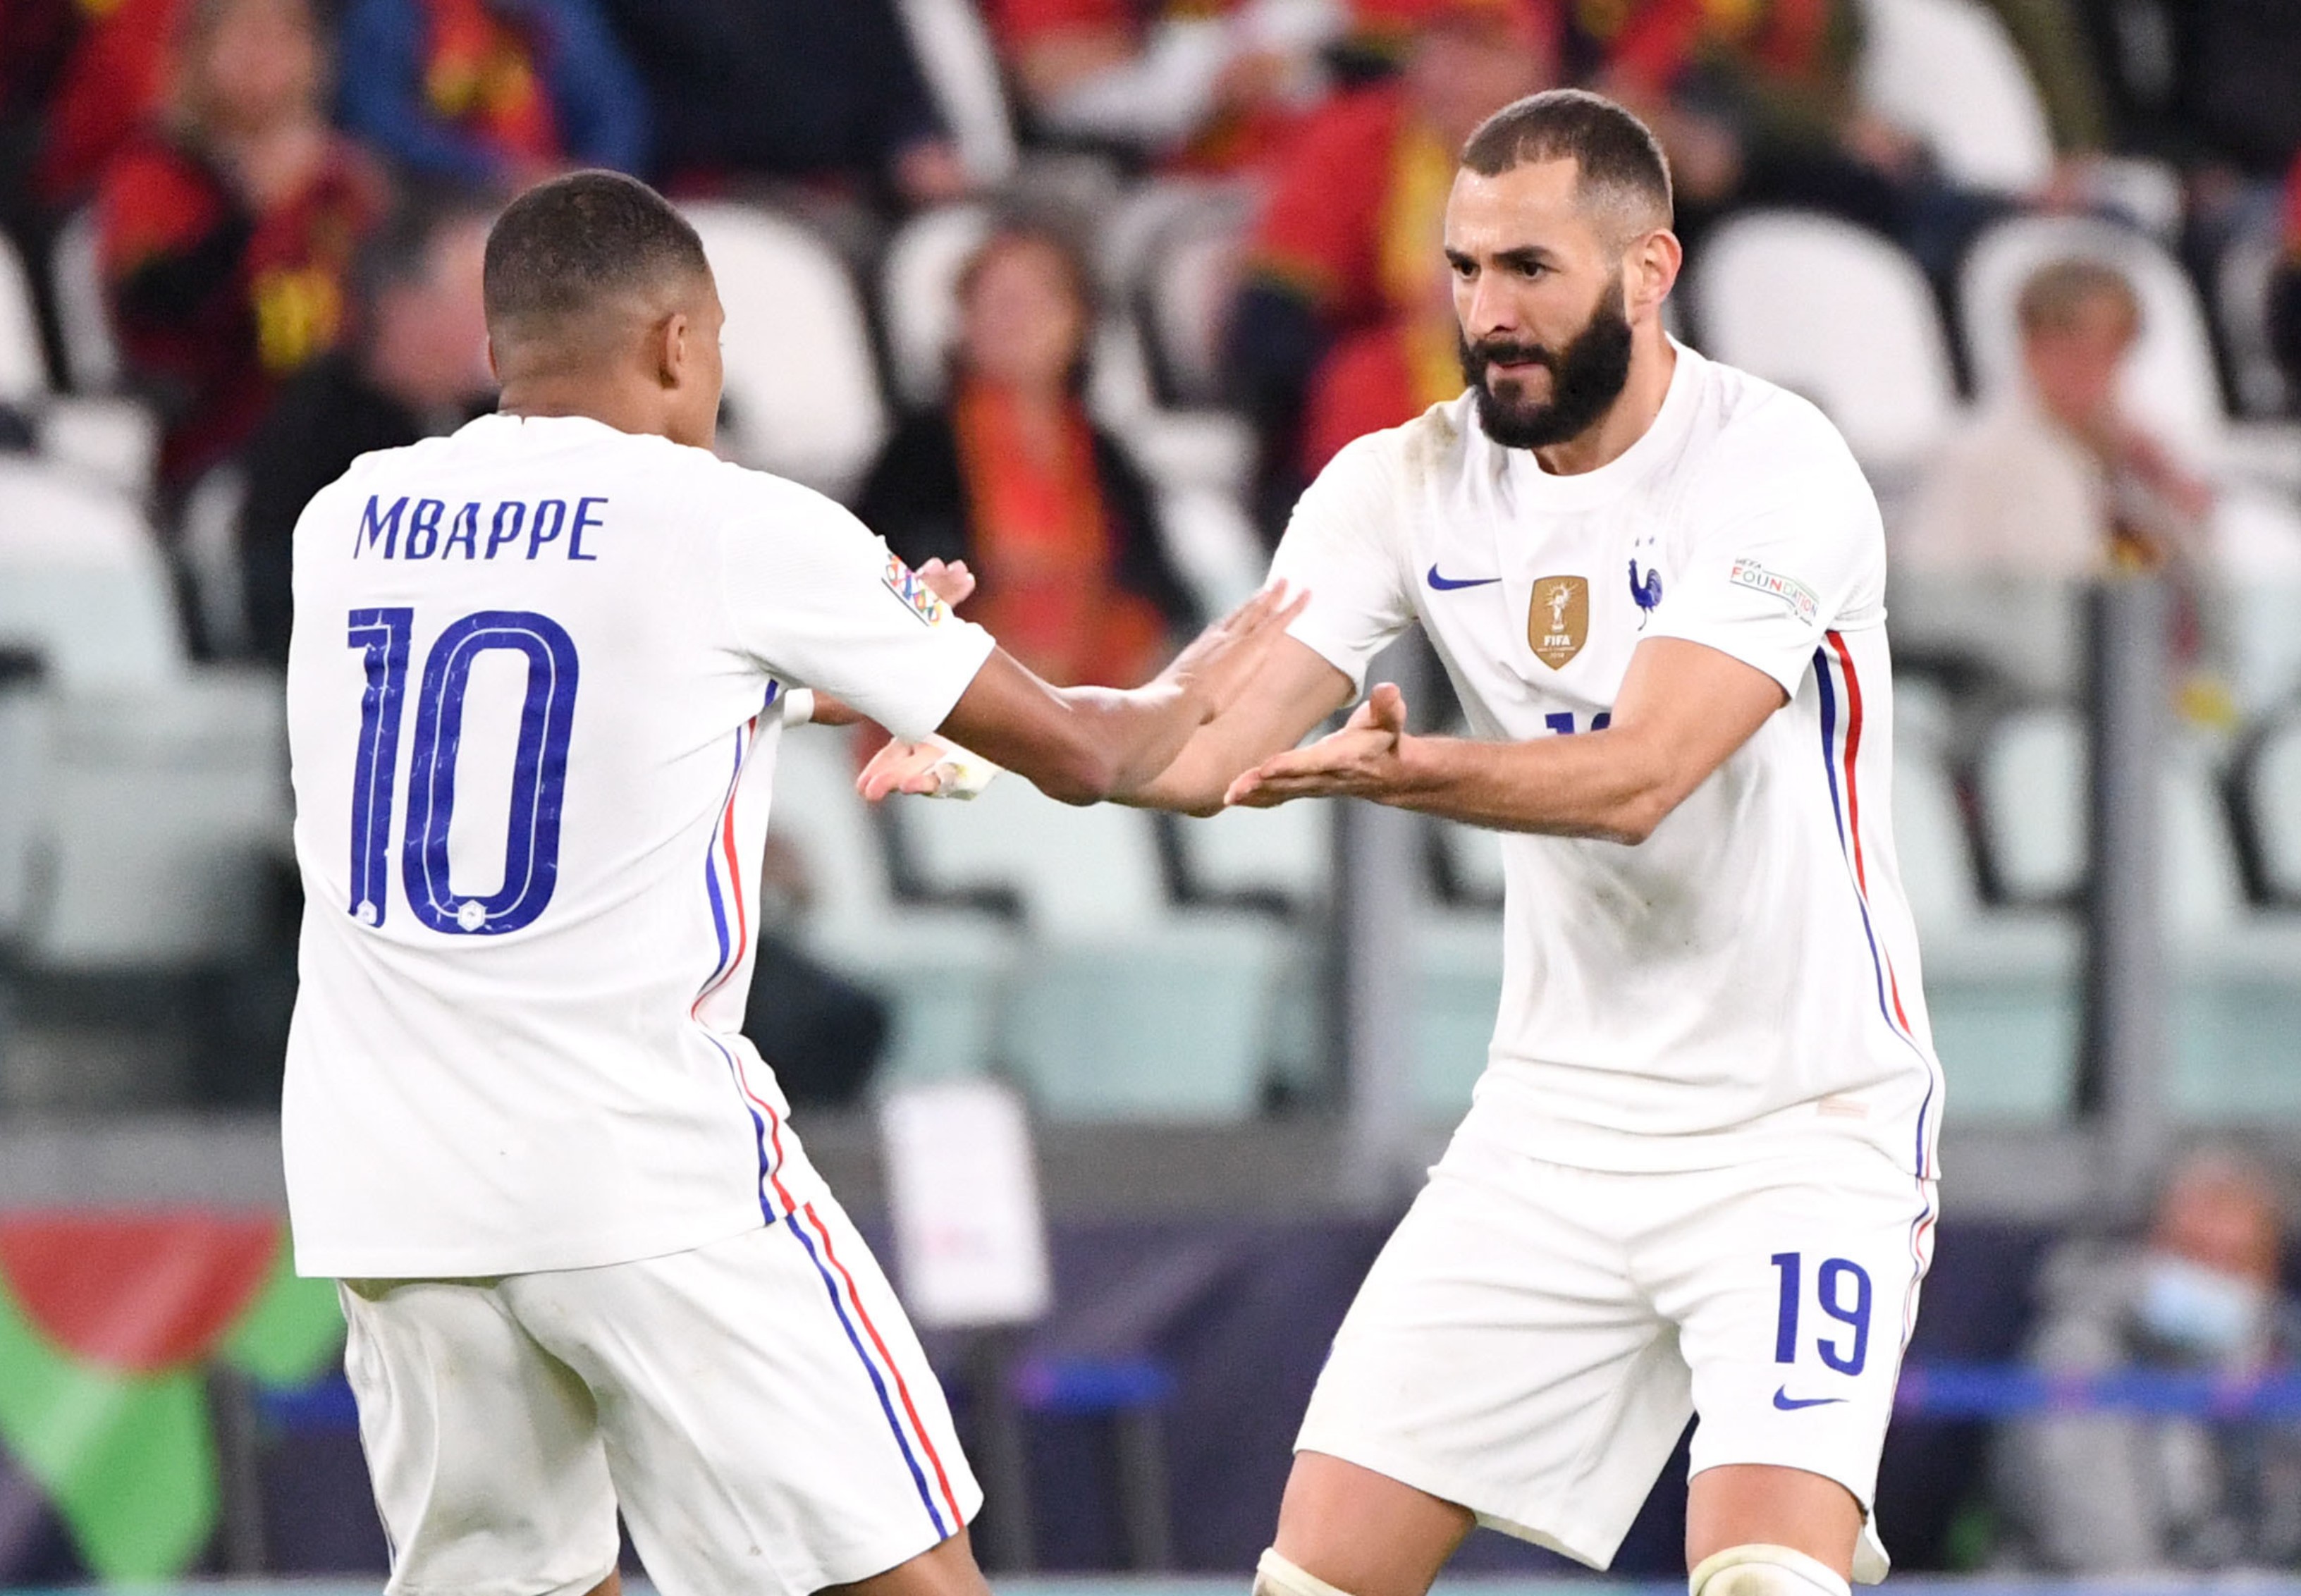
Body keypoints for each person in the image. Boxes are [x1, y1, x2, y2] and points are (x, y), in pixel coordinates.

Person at [870, 87, 1941, 1596]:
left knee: (1767, 1574)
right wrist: (962, 703)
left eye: (1528, 272)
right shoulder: (1402, 481)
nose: (1484, 314)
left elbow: (1645, 776)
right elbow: (1188, 741)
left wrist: (1404, 771)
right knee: (1312, 1582)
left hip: (1801, 1124)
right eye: (1463, 269)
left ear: (1649, 273)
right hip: (1553, 1130)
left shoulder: (1776, 470)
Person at [278, 168, 1297, 1594]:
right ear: (683, 342)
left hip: (385, 1172)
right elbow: (1086, 754)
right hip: (638, 1161)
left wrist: (823, 678)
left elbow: (570, 688)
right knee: (902, 1573)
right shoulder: (734, 523)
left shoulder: (351, 522)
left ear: (502, 348)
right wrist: (1203, 689)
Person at [1225, 0, 1553, 536]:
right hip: (1384, 402)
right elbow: (1270, 317)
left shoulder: (1583, 160)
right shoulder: (1359, 138)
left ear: (1538, 70)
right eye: (1439, 45)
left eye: (1483, 52)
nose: (1453, 73)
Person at [857, 219, 1201, 689]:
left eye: (1033, 302)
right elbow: (882, 593)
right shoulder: (916, 455)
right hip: (962, 693)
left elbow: (1161, 594)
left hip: (1102, 692)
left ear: (1079, 322)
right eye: (993, 302)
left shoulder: (1107, 454)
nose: (1012, 319)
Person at [97, 0, 386, 489]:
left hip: (343, 439)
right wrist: (254, 211)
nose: (266, 58)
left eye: (285, 38)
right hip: (217, 442)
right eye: (247, 38)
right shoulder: (156, 173)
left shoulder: (339, 180)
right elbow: (155, 308)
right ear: (199, 54)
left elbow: (380, 311)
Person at [1994, 1150, 2301, 1572]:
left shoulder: (2278, 1360)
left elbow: (2281, 1534)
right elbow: (2097, 1543)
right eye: (2195, 1254)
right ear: (2147, 1248)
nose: (2214, 1279)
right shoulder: (2079, 1349)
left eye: (2236, 1261)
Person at [237, 189, 498, 663]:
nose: (502, 323)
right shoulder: (314, 436)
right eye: (479, 299)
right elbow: (283, 601)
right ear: (406, 307)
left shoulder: (499, 424)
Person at [1903, 257, 2211, 579]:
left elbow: (2179, 575)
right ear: (2030, 349)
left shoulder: (2139, 462)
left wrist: (2171, 495)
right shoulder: (1981, 456)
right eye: (2073, 350)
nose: (2090, 371)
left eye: (2109, 351)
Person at [333, 0, 649, 190]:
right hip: (446, 207)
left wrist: (596, 174)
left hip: (565, 189)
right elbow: (379, 122)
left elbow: (616, 105)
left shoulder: (556, 9)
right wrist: (495, 175)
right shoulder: (388, 14)